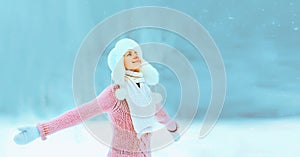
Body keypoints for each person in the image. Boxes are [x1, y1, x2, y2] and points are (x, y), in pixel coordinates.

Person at [13, 38, 180, 157]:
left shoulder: (146, 92)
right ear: (120, 62)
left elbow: (162, 115)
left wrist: (173, 129)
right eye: (128, 54)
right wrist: (39, 130)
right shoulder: (114, 94)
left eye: (136, 52)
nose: (135, 55)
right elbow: (78, 114)